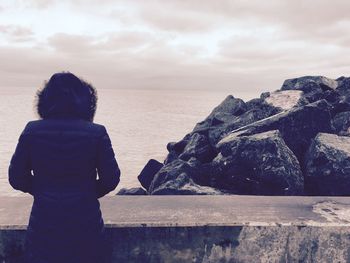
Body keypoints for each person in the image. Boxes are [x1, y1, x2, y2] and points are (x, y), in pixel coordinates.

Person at [8, 72, 120, 263]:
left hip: (43, 227)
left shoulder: (32, 130)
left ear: (44, 100)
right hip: (87, 225)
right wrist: (86, 192)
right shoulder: (97, 132)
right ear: (86, 101)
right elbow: (111, 179)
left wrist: (42, 189)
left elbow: (16, 177)